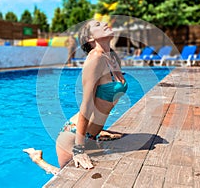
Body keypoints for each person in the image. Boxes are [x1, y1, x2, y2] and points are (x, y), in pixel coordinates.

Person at [24, 19, 128, 173]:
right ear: (89, 38)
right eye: (97, 25)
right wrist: (78, 149)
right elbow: (86, 104)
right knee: (64, 178)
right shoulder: (95, 59)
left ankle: (100, 135)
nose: (104, 23)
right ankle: (37, 158)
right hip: (72, 138)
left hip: (92, 134)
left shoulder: (111, 57)